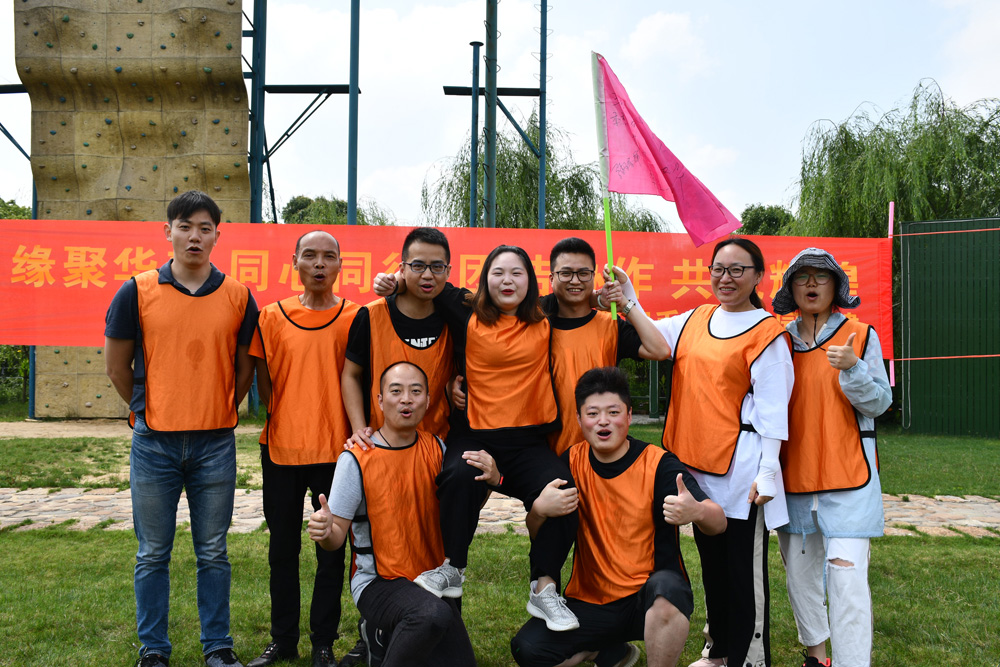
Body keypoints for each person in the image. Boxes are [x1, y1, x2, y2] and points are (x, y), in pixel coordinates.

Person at [373, 245, 582, 633]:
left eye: (517, 273)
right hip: (475, 435)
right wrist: (394, 281)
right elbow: (427, 280)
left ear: (531, 281)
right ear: (485, 279)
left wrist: (608, 296)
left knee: (565, 493)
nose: (507, 281)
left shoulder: (545, 314)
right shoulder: (465, 308)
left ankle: (544, 586)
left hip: (527, 442)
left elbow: (578, 293)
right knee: (456, 476)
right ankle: (453, 567)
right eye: (498, 273)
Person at [104, 190, 258, 667]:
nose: (194, 236)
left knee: (213, 551)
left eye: (204, 228)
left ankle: (218, 647)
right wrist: (147, 409)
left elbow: (244, 368)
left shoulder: (238, 295)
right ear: (167, 231)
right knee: (152, 552)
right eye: (185, 226)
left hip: (215, 443)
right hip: (155, 444)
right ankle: (153, 650)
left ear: (217, 236)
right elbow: (117, 366)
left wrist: (219, 406)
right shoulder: (137, 290)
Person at [510, 367, 727, 667]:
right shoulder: (570, 462)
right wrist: (538, 509)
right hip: (590, 601)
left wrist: (698, 511)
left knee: (668, 589)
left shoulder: (658, 464)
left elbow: (719, 522)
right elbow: (539, 533)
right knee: (528, 650)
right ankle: (608, 652)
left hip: (647, 598)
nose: (603, 421)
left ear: (629, 415)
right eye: (593, 413)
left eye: (613, 412)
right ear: (579, 420)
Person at [648, 237, 794, 667]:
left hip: (742, 471)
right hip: (697, 467)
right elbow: (654, 336)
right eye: (718, 269)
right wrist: (628, 298)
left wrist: (768, 471)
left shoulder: (768, 333)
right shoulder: (696, 318)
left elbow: (773, 410)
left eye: (737, 269)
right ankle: (720, 649)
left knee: (742, 571)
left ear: (758, 275)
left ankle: (750, 657)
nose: (725, 278)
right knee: (712, 564)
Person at [307, 361, 495, 667]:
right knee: (430, 615)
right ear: (380, 401)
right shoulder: (355, 459)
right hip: (379, 582)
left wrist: (492, 480)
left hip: (431, 582)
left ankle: (383, 637)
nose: (406, 399)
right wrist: (325, 531)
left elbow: (462, 512)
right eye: (396, 391)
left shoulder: (438, 449)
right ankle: (381, 628)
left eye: (415, 391)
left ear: (428, 401)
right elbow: (335, 538)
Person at [771, 248, 892, 667]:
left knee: (847, 577)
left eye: (820, 276)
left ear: (836, 285)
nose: (811, 284)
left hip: (849, 478)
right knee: (800, 578)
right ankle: (816, 656)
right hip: (793, 479)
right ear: (790, 288)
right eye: (801, 277)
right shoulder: (779, 341)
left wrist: (854, 369)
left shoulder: (861, 334)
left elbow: (879, 403)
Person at [246, 231, 361, 667]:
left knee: (331, 551)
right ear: (294, 261)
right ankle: (283, 640)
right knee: (282, 551)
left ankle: (323, 643)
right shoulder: (271, 316)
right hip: (281, 449)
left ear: (340, 264)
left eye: (328, 256)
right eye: (309, 255)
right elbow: (265, 383)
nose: (319, 264)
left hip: (336, 453)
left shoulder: (356, 316)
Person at [541, 237, 670, 455]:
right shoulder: (536, 323)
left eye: (583, 273)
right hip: (545, 450)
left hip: (599, 451)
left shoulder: (611, 326)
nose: (575, 281)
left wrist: (624, 304)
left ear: (593, 277)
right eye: (566, 273)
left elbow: (660, 350)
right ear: (552, 278)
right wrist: (596, 299)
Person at [342, 227, 455, 445]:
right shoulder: (371, 315)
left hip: (438, 443)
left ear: (448, 271)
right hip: (380, 442)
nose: (427, 275)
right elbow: (351, 375)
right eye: (418, 266)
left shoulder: (455, 317)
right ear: (402, 269)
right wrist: (358, 429)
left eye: (437, 267)